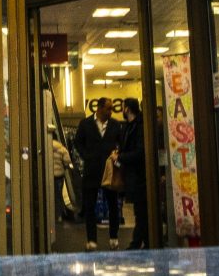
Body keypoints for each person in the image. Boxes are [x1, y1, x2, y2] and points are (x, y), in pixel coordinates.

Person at [74, 96, 122, 250]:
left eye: (112, 108)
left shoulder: (115, 125)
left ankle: (114, 236)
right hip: (91, 170)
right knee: (90, 205)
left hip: (109, 171)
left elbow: (121, 142)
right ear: (99, 108)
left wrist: (117, 154)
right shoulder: (86, 124)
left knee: (113, 204)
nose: (111, 111)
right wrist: (85, 155)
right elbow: (77, 142)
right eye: (108, 108)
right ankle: (91, 239)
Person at [116, 97, 150, 249]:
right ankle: (146, 241)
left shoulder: (137, 127)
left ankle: (137, 242)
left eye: (123, 106)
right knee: (140, 211)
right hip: (134, 175)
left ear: (127, 108)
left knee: (141, 211)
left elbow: (139, 152)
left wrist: (120, 157)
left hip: (138, 176)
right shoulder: (133, 126)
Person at [50, 135, 77, 222]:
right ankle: (59, 216)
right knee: (58, 196)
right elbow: (67, 161)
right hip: (59, 176)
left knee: (49, 195)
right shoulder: (62, 149)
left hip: (48, 176)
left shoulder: (46, 146)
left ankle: (50, 214)